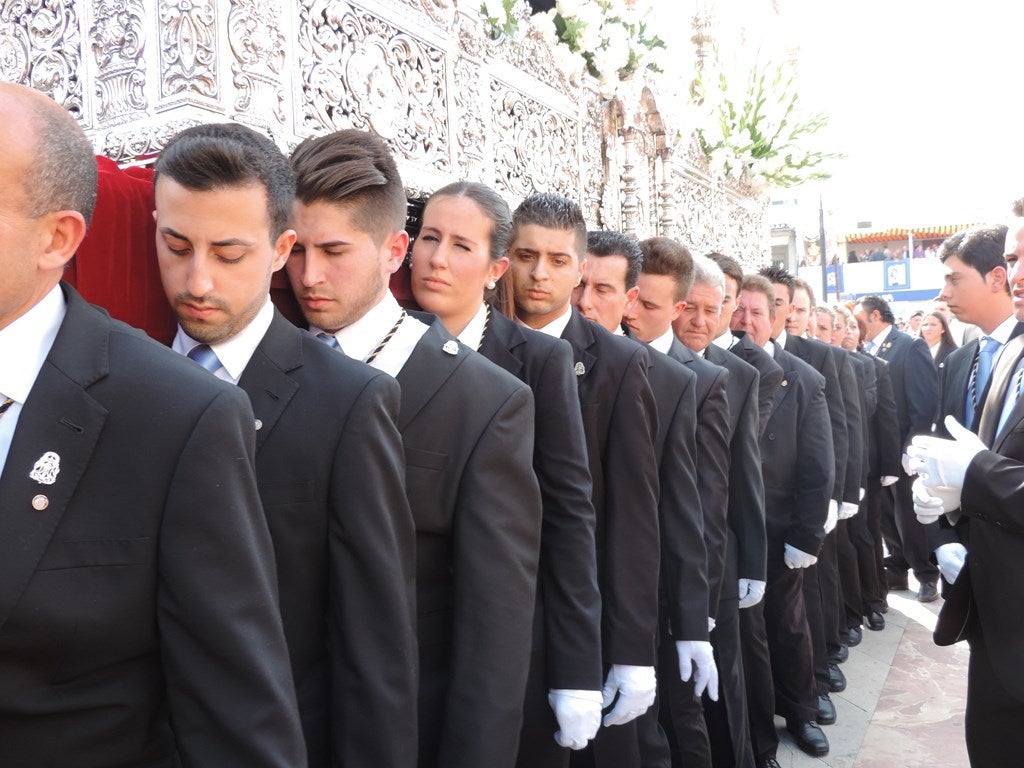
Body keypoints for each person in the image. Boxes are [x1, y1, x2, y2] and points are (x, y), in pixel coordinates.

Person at [0, 82, 307, 766]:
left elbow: (236, 721)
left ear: (58, 237)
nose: (199, 279)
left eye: (227, 253)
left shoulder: (178, 418)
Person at [152, 123, 418, 767]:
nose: (197, 281)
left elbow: (374, 653)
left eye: (229, 253)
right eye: (175, 245)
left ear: (280, 250)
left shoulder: (350, 404)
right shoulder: (120, 378)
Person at [287, 129, 543, 768]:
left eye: (335, 251)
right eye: (296, 250)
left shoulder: (487, 402)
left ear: (393, 249)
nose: (309, 276)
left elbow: (494, 631)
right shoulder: (273, 365)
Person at [408, 181, 604, 763]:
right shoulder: (377, 346)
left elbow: (570, 515)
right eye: (428, 238)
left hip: (509, 636)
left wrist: (576, 670)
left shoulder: (539, 361)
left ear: (496, 269)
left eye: (461, 246)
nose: (438, 259)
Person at [506, 194, 661, 768]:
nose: (539, 273)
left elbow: (633, 514)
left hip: (580, 608)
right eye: (525, 255)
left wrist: (630, 648)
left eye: (557, 259)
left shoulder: (618, 363)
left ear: (576, 269)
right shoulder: (475, 343)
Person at [581, 233, 721, 768]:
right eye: (581, 286)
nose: (587, 302)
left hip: (640, 595)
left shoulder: (670, 380)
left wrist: (693, 620)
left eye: (605, 288)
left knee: (647, 737)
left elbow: (686, 507)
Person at [907, 210, 1024, 766]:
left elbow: (986, 464)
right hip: (998, 605)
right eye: (1013, 259)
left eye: (1019, 260)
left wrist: (972, 475)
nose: (1015, 273)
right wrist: (948, 508)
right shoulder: (995, 357)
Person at [731, 275, 834, 762]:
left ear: (778, 315)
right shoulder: (719, 367)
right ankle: (754, 732)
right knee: (746, 641)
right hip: (732, 528)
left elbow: (818, 465)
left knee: (788, 627)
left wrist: (806, 537)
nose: (748, 320)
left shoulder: (803, 377)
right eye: (741, 309)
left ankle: (802, 711)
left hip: (778, 528)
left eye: (760, 310)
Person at [675, 253, 768, 768]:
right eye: (691, 307)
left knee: (724, 673)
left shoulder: (738, 375)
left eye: (715, 310)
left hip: (720, 553)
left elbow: (744, 475)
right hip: (664, 545)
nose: (701, 321)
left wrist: (752, 563)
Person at [854, 295, 939, 602]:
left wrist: (910, 446)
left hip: (904, 447)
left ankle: (926, 572)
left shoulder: (908, 345)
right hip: (881, 449)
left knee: (909, 514)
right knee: (887, 514)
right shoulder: (868, 350)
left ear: (875, 316)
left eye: (860, 320)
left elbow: (924, 402)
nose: (857, 327)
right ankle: (898, 567)